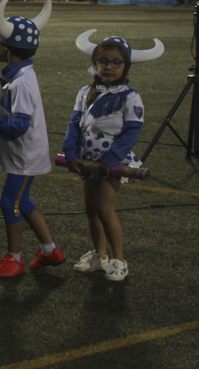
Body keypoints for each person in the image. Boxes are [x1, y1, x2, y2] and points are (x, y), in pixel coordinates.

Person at [64, 31, 164, 281]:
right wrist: (70, 152)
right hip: (87, 159)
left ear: (125, 65)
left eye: (116, 62)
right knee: (90, 209)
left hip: (112, 162)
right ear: (94, 63)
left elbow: (131, 132)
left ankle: (119, 260)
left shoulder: (130, 97)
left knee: (104, 210)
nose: (109, 67)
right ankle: (99, 256)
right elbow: (74, 124)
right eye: (103, 61)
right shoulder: (85, 91)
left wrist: (110, 160)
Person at [0, 0, 64, 278]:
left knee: (9, 202)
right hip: (24, 153)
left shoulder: (21, 83)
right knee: (23, 201)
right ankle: (50, 250)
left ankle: (14, 259)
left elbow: (18, 126)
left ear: (8, 48)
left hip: (24, 155)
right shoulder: (20, 76)